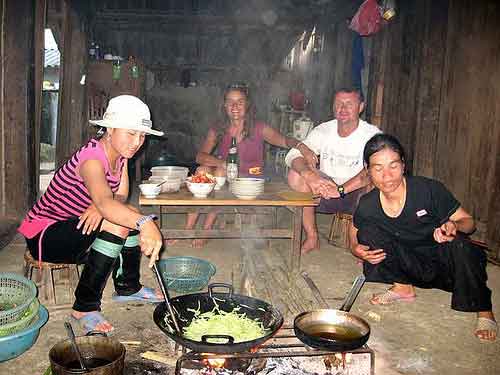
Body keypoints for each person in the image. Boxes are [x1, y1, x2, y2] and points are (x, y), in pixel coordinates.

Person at [18, 95, 165, 334]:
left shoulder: (121, 156)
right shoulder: (91, 158)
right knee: (119, 223)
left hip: (73, 226)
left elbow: (119, 197)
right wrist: (144, 223)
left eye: (142, 135)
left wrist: (100, 205)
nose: (137, 141)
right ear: (109, 129)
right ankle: (84, 307)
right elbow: (110, 203)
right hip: (45, 234)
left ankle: (127, 287)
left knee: (127, 213)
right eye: (131, 133)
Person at [349, 133, 497, 342]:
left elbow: (468, 222)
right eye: (378, 168)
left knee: (463, 245)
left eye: (393, 166)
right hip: (410, 266)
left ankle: (483, 309)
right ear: (368, 170)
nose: (387, 176)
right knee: (368, 232)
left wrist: (454, 226)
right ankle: (402, 287)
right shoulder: (368, 203)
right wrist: (355, 248)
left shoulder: (428, 190)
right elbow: (354, 231)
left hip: (447, 268)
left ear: (403, 165)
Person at [174, 83, 316, 247]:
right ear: (225, 105)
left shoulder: (258, 127)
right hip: (225, 177)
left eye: (240, 102)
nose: (235, 106)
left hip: (250, 181)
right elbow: (200, 156)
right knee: (202, 170)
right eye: (230, 102)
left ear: (247, 105)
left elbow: (284, 140)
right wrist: (223, 163)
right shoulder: (219, 128)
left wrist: (301, 146)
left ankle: (206, 229)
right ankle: (187, 229)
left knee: (218, 173)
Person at [285, 87, 381, 253]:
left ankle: (356, 243)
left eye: (349, 104)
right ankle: (312, 237)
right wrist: (310, 175)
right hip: (325, 190)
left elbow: (373, 170)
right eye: (338, 103)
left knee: (375, 182)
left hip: (356, 192)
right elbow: (292, 155)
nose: (342, 109)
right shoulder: (324, 129)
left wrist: (341, 190)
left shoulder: (372, 135)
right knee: (296, 175)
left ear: (361, 107)